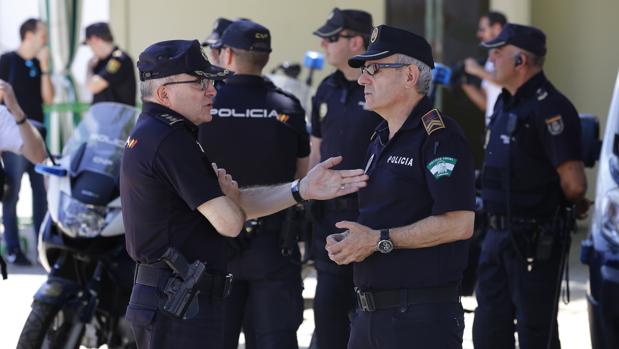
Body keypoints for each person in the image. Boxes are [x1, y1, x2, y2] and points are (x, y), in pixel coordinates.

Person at [120, 39, 368, 349]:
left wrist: (302, 188)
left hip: (181, 296)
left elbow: (232, 206)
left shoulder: (167, 133)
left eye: (209, 81)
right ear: (164, 92)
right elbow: (231, 221)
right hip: (176, 300)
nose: (212, 90)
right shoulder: (169, 139)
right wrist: (233, 204)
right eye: (199, 82)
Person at [325, 25, 476, 349]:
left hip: (419, 320)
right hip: (369, 316)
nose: (363, 79)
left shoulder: (439, 136)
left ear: (409, 75)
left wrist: (378, 240)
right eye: (364, 70)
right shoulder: (379, 136)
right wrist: (352, 242)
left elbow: (460, 223)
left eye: (375, 69)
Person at [472, 24, 589, 349]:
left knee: (535, 333)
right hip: (495, 236)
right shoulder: (504, 103)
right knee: (488, 331)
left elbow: (575, 184)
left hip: (533, 242)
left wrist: (570, 204)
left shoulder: (550, 106)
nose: (491, 60)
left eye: (497, 53)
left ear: (520, 59)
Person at [199, 19, 309, 349]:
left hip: (215, 247)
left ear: (229, 56)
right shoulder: (288, 106)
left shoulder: (206, 103)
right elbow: (302, 177)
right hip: (274, 250)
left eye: (217, 50)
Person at [309, 8, 382, 349]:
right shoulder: (325, 88)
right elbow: (315, 148)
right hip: (328, 219)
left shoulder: (380, 87)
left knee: (371, 319)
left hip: (371, 216)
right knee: (328, 316)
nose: (323, 44)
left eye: (331, 38)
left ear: (355, 41)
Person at [0, 18, 53, 266]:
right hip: (13, 134)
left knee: (42, 193)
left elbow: (49, 98)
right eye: (43, 35)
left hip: (37, 133)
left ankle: (42, 248)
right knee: (12, 194)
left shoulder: (38, 64)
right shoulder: (8, 59)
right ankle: (13, 249)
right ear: (29, 35)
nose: (46, 40)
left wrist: (44, 68)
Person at [461, 11, 507, 125]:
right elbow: (486, 104)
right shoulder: (490, 58)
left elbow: (504, 79)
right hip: (492, 129)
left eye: (482, 29)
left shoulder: (510, 52)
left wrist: (476, 69)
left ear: (496, 28)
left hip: (509, 131)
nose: (478, 34)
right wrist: (465, 82)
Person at [84, 22, 136, 106]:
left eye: (89, 44)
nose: (91, 49)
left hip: (119, 118)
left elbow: (93, 86)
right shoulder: (100, 62)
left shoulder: (118, 59)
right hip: (103, 117)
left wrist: (89, 66)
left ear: (94, 40)